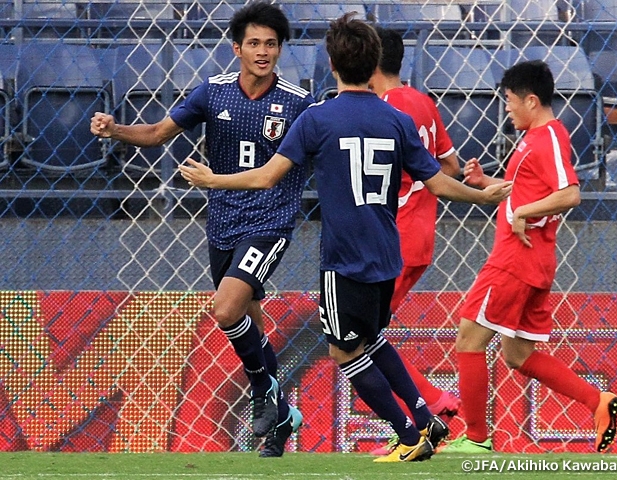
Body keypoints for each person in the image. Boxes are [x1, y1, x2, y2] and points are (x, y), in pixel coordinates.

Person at [179, 12, 512, 462]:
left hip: (344, 256)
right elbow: (437, 182)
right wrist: (483, 196)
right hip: (386, 251)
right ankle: (426, 418)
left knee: (344, 351)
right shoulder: (395, 119)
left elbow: (266, 178)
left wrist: (214, 180)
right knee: (372, 338)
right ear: (374, 64)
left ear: (332, 65)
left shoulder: (319, 118)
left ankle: (408, 436)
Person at [90, 1, 315, 458]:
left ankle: (262, 394)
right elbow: (156, 133)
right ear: (237, 48)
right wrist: (115, 130)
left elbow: (320, 154)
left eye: (271, 44)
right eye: (254, 43)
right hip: (223, 225)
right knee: (248, 320)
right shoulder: (212, 92)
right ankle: (280, 418)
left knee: (226, 309)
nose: (263, 51)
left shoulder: (298, 103)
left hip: (269, 221)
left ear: (280, 49)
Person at [439, 60, 617, 454]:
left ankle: (474, 439)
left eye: (509, 101)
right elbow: (532, 190)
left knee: (469, 340)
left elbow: (570, 193)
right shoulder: (535, 138)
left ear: (532, 101)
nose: (506, 109)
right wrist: (487, 183)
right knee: (518, 354)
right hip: (533, 262)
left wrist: (521, 213)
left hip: (514, 261)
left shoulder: (549, 137)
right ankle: (597, 401)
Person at [367, 26, 462, 455]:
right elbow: (451, 166)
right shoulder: (423, 101)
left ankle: (431, 414)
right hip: (421, 236)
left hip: (393, 239)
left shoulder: (382, 107)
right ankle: (421, 420)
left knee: (361, 340)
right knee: (368, 337)